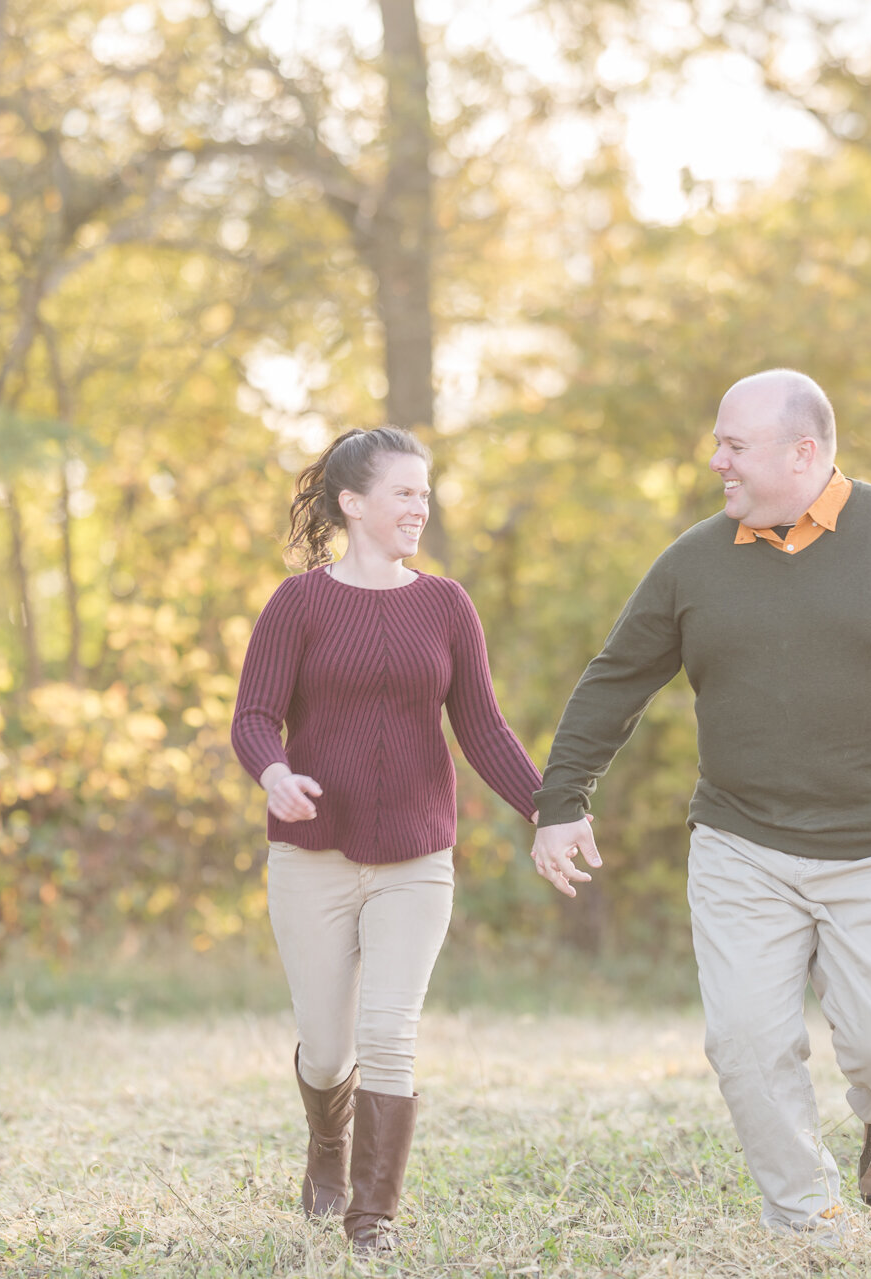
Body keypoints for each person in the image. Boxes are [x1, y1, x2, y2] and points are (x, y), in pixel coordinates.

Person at [529, 370, 871, 1238]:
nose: (715, 461)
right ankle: (809, 1216)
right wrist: (560, 797)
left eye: (734, 446)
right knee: (748, 1046)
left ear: (805, 452)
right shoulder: (694, 560)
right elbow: (615, 680)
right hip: (742, 842)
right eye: (718, 442)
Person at [231, 426, 547, 1253]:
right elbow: (254, 716)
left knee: (388, 1031)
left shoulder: (447, 605)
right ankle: (327, 1144)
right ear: (353, 503)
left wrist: (550, 808)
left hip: (416, 859)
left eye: (424, 490)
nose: (421, 505)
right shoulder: (297, 603)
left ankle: (373, 1217)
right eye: (405, 491)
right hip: (312, 857)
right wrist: (273, 774)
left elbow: (482, 728)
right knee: (330, 1047)